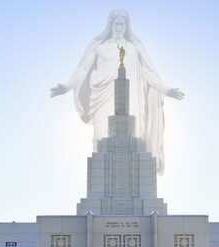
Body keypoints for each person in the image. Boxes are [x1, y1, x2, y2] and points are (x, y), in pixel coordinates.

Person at [50, 9, 184, 175]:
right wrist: (66, 86)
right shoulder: (99, 48)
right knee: (101, 144)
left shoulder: (134, 49)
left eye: (122, 23)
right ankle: (103, 193)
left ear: (127, 26)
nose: (119, 26)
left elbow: (148, 73)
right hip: (104, 101)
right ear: (110, 25)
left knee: (133, 144)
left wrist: (166, 89)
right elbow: (83, 69)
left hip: (131, 101)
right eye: (116, 23)